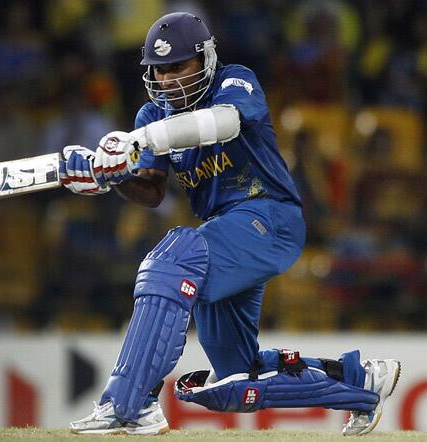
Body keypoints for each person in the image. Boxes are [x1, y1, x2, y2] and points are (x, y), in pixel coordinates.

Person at [60, 12, 400, 436]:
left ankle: (129, 405)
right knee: (235, 382)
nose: (167, 80)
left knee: (173, 256)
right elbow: (150, 190)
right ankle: (359, 384)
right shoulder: (151, 116)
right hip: (226, 235)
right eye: (159, 71)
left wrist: (136, 143)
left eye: (177, 67)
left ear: (205, 59)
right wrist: (109, 175)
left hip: (270, 217)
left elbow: (225, 122)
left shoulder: (234, 81)